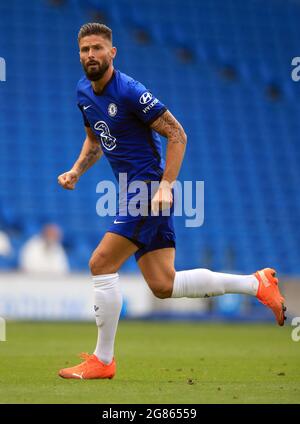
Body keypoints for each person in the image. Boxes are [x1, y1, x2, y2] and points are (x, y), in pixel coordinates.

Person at [57, 23, 286, 380]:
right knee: (164, 285)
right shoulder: (83, 92)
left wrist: (166, 185)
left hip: (146, 189)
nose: (91, 55)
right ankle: (256, 283)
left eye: (98, 48)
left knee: (101, 262)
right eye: (85, 49)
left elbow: (177, 133)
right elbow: (96, 138)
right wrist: (75, 170)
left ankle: (103, 361)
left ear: (112, 52)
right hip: (130, 191)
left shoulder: (130, 91)